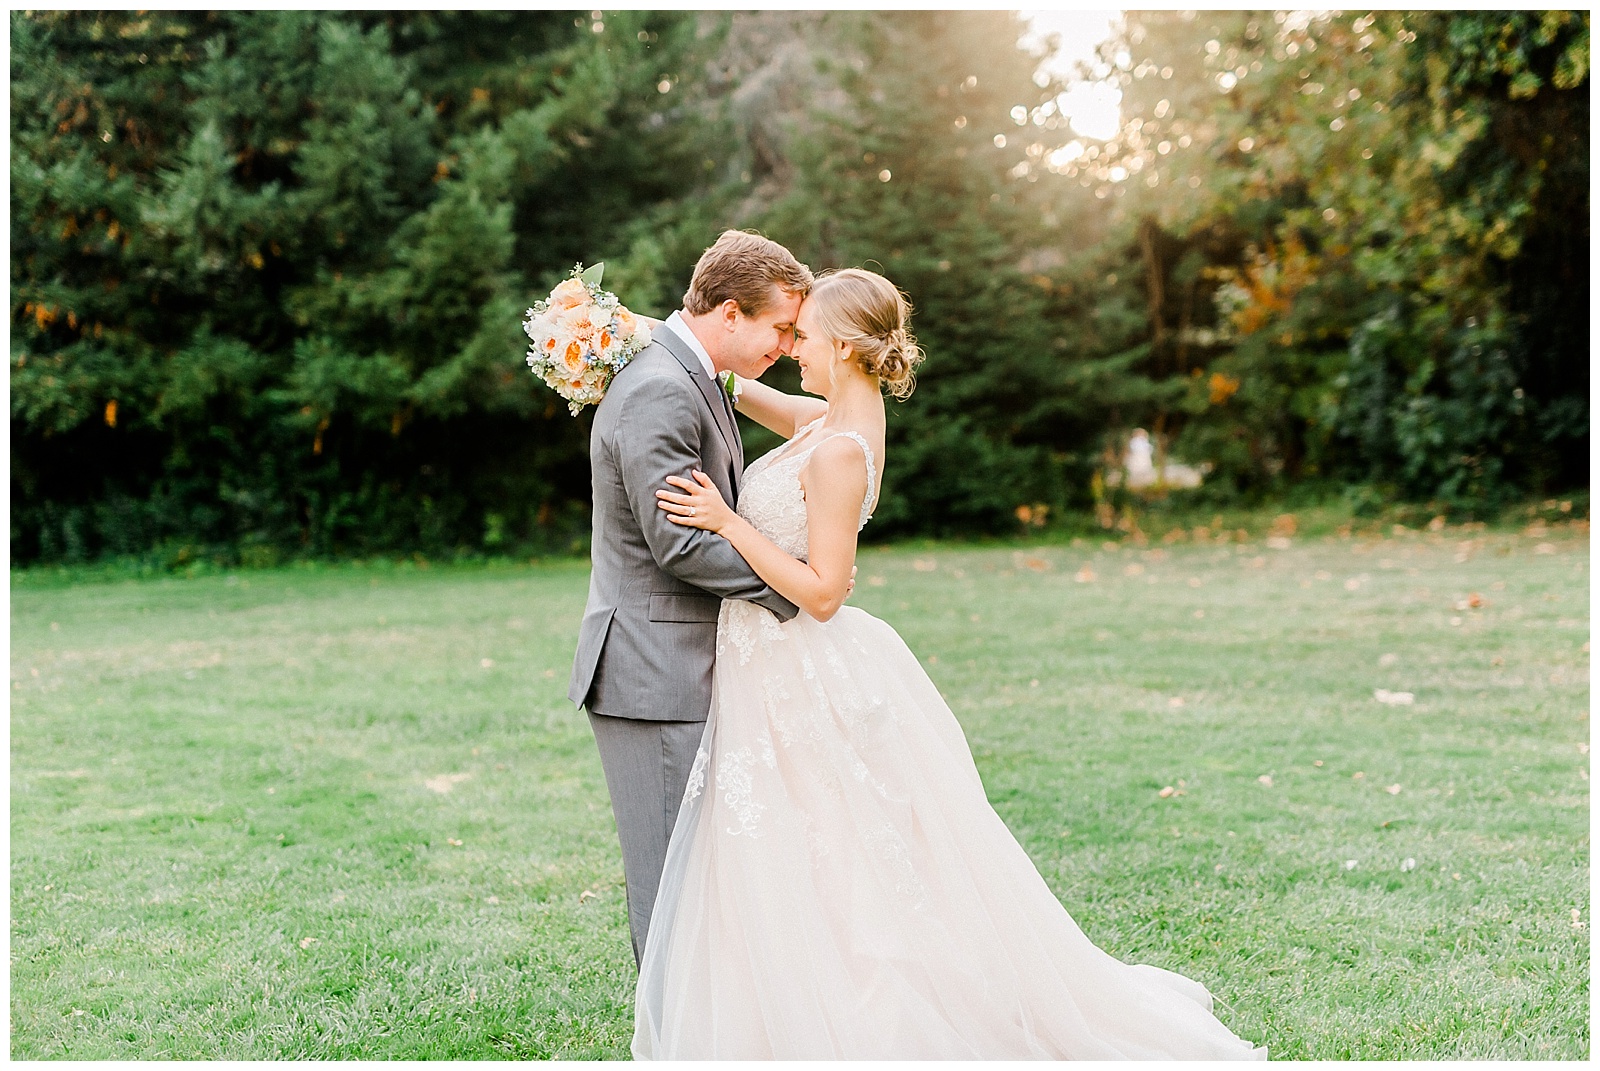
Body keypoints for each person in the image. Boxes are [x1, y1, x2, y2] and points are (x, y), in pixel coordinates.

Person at [635, 268, 1267, 1059]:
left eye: (806, 338)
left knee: (831, 856)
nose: (794, 349)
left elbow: (824, 592)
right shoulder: (831, 421)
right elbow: (747, 392)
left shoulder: (837, 452)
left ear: (847, 349)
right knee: (815, 850)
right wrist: (649, 335)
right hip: (771, 663)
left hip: (795, 659)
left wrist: (729, 521)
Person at [567, 229, 814, 967]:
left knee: (700, 881)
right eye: (781, 327)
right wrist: (793, 587)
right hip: (652, 673)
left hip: (676, 666)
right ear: (731, 313)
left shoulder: (691, 375)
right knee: (670, 886)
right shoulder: (659, 389)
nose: (787, 344)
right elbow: (678, 544)